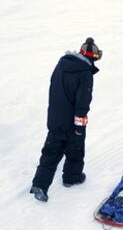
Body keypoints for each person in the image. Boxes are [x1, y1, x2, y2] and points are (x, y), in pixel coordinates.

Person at [30, 38, 102, 202]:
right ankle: (72, 177)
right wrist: (79, 123)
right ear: (93, 57)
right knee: (76, 147)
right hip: (73, 120)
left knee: (51, 151)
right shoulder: (85, 73)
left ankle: (40, 184)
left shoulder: (61, 64)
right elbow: (83, 101)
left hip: (55, 117)